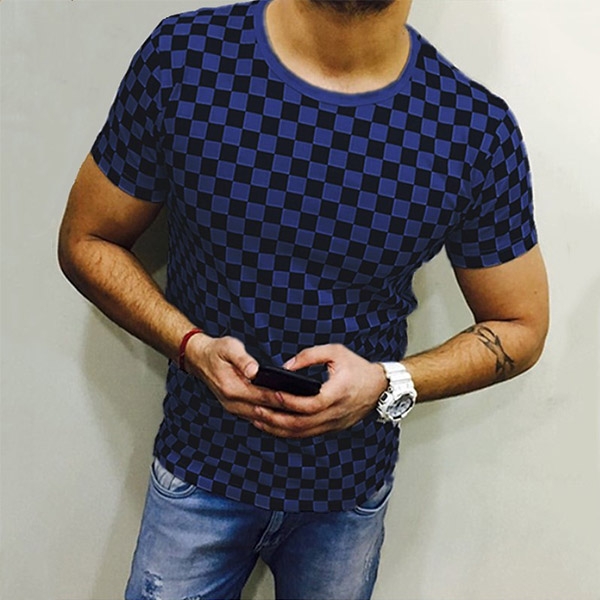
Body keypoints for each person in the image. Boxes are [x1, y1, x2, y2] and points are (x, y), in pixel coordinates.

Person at [58, 0, 549, 598]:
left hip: (348, 496)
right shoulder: (186, 59)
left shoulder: (473, 130)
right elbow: (87, 240)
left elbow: (519, 324)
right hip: (198, 471)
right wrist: (190, 346)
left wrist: (387, 383)